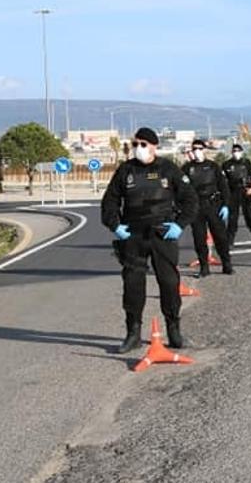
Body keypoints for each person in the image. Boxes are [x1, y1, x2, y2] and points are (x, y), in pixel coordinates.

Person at [101, 127, 198, 353]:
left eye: (143, 144)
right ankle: (133, 333)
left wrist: (179, 224)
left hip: (162, 234)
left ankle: (174, 330)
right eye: (135, 144)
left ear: (154, 146)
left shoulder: (168, 169)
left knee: (169, 283)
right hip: (133, 236)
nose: (138, 148)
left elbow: (190, 199)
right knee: (133, 285)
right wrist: (116, 226)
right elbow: (109, 203)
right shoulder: (125, 171)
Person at [182, 139, 235, 276]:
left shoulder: (213, 167)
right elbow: (180, 189)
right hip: (196, 207)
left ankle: (227, 264)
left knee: (220, 237)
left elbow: (223, 186)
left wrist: (225, 205)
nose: (197, 151)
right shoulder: (187, 168)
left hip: (213, 205)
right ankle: (204, 267)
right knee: (199, 238)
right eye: (194, 149)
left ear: (205, 150)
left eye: (200, 148)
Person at [222, 144, 251, 248]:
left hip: (246, 192)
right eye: (234, 151)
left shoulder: (247, 163)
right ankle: (230, 241)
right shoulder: (226, 165)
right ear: (231, 152)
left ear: (241, 151)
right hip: (233, 193)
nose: (236, 152)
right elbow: (222, 181)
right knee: (232, 218)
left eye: (238, 150)